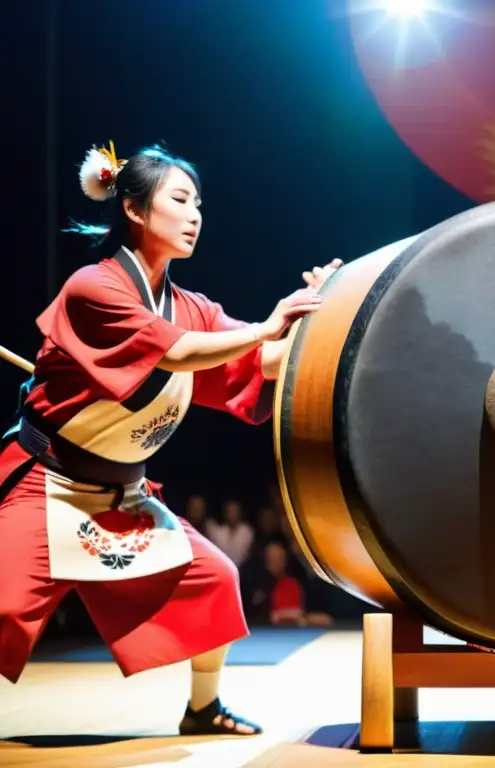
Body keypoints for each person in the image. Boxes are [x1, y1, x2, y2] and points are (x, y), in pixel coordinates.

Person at [0, 141, 341, 736]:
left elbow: (267, 358)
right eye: (180, 199)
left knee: (214, 577)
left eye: (198, 203)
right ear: (134, 209)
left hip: (123, 496)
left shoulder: (194, 309)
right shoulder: (93, 288)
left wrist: (325, 309)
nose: (194, 214)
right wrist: (266, 326)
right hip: (47, 483)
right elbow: (179, 352)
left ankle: (203, 709)